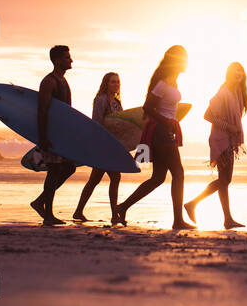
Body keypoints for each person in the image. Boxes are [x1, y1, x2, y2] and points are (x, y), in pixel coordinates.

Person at [114, 45, 194, 230]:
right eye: (184, 58)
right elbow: (148, 108)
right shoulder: (163, 83)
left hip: (165, 130)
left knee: (158, 177)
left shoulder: (172, 82)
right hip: (161, 132)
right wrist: (166, 122)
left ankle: (122, 207)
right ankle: (178, 220)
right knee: (178, 173)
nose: (187, 62)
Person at [185, 62, 247, 229]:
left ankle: (227, 219)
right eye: (235, 71)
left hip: (227, 139)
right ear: (228, 73)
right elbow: (207, 115)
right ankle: (192, 204)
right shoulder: (223, 92)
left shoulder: (237, 93)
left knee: (224, 180)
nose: (238, 74)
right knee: (225, 179)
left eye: (240, 71)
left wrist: (232, 130)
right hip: (221, 139)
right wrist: (229, 127)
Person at [29, 45, 76, 225]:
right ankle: (47, 214)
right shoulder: (49, 82)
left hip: (62, 135)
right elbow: (42, 111)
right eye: (67, 57)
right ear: (57, 60)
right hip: (51, 134)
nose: (71, 60)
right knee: (54, 171)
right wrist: (42, 137)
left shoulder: (63, 81)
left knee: (68, 168)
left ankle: (40, 202)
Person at [73, 72, 123, 222]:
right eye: (113, 82)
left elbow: (121, 123)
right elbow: (96, 122)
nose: (116, 85)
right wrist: (99, 145)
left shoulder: (116, 102)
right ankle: (115, 215)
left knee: (95, 179)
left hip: (112, 145)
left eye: (118, 82)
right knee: (114, 177)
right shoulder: (101, 100)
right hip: (103, 145)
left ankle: (78, 211)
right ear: (106, 84)